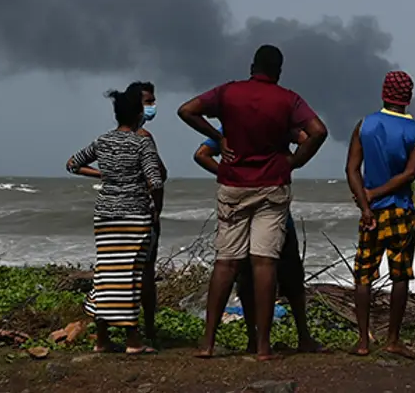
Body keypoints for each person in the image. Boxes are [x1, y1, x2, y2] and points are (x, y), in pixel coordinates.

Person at [177, 44, 328, 360]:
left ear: (251, 67)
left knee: (227, 263)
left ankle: (207, 343)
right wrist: (294, 162)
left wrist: (219, 138)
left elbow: (186, 110)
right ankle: (263, 347)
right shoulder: (288, 100)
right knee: (265, 263)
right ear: (279, 71)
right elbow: (317, 132)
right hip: (271, 186)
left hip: (234, 185)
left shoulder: (229, 93)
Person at [193, 123, 326, 354]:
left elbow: (201, 154)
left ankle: (244, 339)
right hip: (272, 206)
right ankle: (297, 337)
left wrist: (228, 173)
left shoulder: (232, 125)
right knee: (288, 275)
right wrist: (289, 162)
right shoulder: (279, 121)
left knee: (241, 275)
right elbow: (308, 138)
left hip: (239, 200)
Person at [66, 88, 165, 355]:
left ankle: (102, 339)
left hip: (105, 215)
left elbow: (72, 164)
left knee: (106, 273)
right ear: (137, 114)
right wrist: (155, 207)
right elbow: (155, 181)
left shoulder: (102, 141)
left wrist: (104, 175)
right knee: (130, 275)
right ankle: (133, 340)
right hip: (135, 215)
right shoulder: (141, 143)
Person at [345, 70, 415, 358]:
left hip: (371, 213)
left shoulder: (365, 125)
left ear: (383, 93)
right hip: (401, 210)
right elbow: (409, 174)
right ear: (408, 97)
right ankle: (393, 339)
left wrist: (365, 203)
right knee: (400, 274)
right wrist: (375, 194)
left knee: (363, 274)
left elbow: (352, 169)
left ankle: (362, 342)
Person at [125, 80, 167, 341]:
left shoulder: (113, 138)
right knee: (146, 273)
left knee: (120, 271)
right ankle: (148, 328)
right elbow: (158, 176)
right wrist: (157, 210)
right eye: (148, 101)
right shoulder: (143, 138)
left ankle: (122, 326)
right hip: (143, 211)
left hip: (119, 211)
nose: (152, 106)